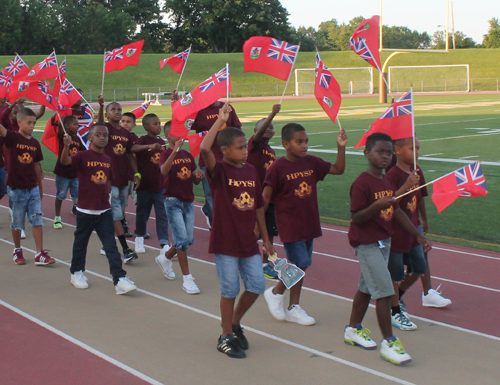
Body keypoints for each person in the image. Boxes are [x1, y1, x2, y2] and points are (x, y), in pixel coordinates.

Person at [344, 133, 431, 365]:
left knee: (365, 288)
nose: (385, 156)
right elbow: (356, 218)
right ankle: (389, 342)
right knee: (384, 291)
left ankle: (352, 329)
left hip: (384, 241)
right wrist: (376, 206)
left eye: (388, 153)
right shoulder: (362, 182)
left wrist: (417, 235)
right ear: (367, 154)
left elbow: (397, 211)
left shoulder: (386, 182)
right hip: (366, 243)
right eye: (380, 152)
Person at [200, 103, 275, 359]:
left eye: (246, 147)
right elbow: (203, 148)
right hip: (225, 241)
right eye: (240, 147)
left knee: (255, 285)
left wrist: (266, 240)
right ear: (224, 151)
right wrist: (219, 122)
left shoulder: (252, 171)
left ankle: (233, 323)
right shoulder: (218, 171)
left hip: (248, 242)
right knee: (230, 289)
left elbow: (258, 208)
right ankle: (224, 336)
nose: (245, 151)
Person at [262, 123, 347, 326]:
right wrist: (260, 231)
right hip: (290, 223)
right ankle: (276, 292)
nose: (304, 145)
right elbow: (264, 199)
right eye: (299, 142)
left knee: (301, 265)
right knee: (300, 262)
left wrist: (341, 146)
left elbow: (338, 169)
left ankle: (293, 307)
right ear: (286, 144)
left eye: (306, 141)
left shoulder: (311, 162)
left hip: (309, 222)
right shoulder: (278, 168)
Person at [60, 123, 137, 295]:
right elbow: (65, 161)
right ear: (90, 137)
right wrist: (66, 146)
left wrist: (105, 197)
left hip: (103, 211)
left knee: (111, 246)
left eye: (105, 135)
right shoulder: (82, 156)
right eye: (98, 134)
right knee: (81, 244)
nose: (102, 137)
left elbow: (109, 183)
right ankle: (76, 272)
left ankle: (119, 279)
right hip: (85, 211)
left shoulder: (108, 160)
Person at [385, 143, 451, 309]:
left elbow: (420, 196)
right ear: (398, 150)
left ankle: (401, 295)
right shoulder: (392, 175)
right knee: (396, 271)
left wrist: (424, 218)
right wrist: (407, 185)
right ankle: (392, 304)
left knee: (419, 266)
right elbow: (389, 203)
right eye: (412, 148)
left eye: (418, 148)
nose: (417, 152)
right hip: (398, 229)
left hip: (415, 225)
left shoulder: (417, 171)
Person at [0, 108, 55, 265]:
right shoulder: (12, 138)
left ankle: (39, 253)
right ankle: (17, 250)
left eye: (34, 123)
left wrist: (40, 187)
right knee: (17, 222)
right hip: (16, 187)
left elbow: (36, 165)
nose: (32, 126)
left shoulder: (34, 143)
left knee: (37, 219)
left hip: (32, 187)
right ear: (19, 123)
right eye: (29, 122)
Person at [156, 120, 204, 294]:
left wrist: (198, 175)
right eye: (177, 132)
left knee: (188, 239)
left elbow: (194, 178)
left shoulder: (187, 155)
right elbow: (163, 171)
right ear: (168, 135)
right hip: (172, 201)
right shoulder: (165, 154)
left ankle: (166, 257)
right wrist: (174, 151)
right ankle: (187, 279)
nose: (181, 136)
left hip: (188, 201)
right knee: (182, 241)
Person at [97, 97, 140, 263]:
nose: (117, 112)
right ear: (107, 115)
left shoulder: (125, 133)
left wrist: (136, 173)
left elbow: (130, 154)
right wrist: (101, 106)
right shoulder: (106, 129)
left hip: (123, 177)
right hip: (109, 178)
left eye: (119, 109)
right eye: (113, 110)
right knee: (114, 211)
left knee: (119, 211)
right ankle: (124, 249)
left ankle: (105, 243)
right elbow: (99, 124)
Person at [246, 104, 280, 279]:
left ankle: (266, 264)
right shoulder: (254, 145)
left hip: (269, 199)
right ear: (255, 131)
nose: (268, 130)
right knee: (252, 231)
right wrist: (272, 115)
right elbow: (259, 135)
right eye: (265, 127)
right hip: (252, 197)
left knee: (269, 232)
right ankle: (246, 260)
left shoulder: (271, 152)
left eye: (271, 128)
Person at [130, 113, 169, 255]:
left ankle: (164, 242)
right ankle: (139, 238)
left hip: (160, 185)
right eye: (155, 123)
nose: (159, 126)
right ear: (146, 126)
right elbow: (132, 149)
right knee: (142, 213)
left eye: (159, 123)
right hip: (145, 185)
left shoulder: (162, 142)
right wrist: (150, 146)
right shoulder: (142, 140)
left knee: (162, 215)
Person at [51, 115, 84, 229]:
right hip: (63, 173)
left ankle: (80, 215)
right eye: (75, 124)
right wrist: (60, 110)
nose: (77, 126)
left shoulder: (78, 139)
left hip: (75, 174)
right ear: (66, 126)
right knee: (61, 195)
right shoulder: (63, 136)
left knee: (78, 195)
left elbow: (83, 153)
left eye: (78, 124)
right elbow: (58, 122)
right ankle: (57, 217)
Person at [120, 111, 138, 237]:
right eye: (123, 121)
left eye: (128, 122)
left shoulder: (137, 139)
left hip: (134, 176)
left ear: (134, 124)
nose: (125, 124)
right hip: (122, 176)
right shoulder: (116, 137)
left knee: (140, 203)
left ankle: (139, 227)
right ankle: (123, 225)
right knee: (122, 203)